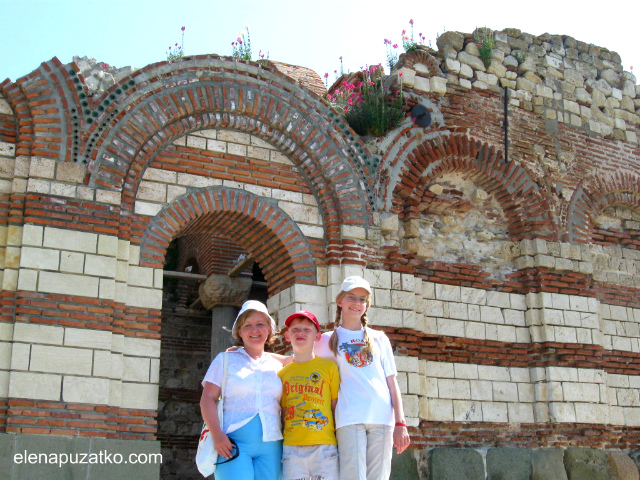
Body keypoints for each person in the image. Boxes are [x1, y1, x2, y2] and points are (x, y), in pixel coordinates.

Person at [315, 275, 411, 480]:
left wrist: (400, 424)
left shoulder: (379, 338)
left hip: (382, 418)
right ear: (340, 301)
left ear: (367, 305)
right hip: (349, 418)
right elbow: (299, 359)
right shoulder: (327, 340)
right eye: (352, 297)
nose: (356, 303)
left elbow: (392, 383)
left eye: (362, 299)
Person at [199, 300, 286, 480]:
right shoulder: (225, 360)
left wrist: (267, 354)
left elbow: (304, 356)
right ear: (239, 331)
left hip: (273, 446)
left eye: (260, 324)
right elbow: (207, 398)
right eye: (248, 326)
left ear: (269, 329)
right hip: (232, 444)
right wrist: (217, 436)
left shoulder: (279, 365)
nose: (255, 330)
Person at [278, 310, 340, 480]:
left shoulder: (329, 368)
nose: (301, 333)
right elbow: (283, 412)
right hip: (292, 447)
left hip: (325, 446)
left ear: (317, 336)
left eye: (307, 329)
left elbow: (335, 406)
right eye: (295, 329)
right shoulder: (282, 375)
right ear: (287, 336)